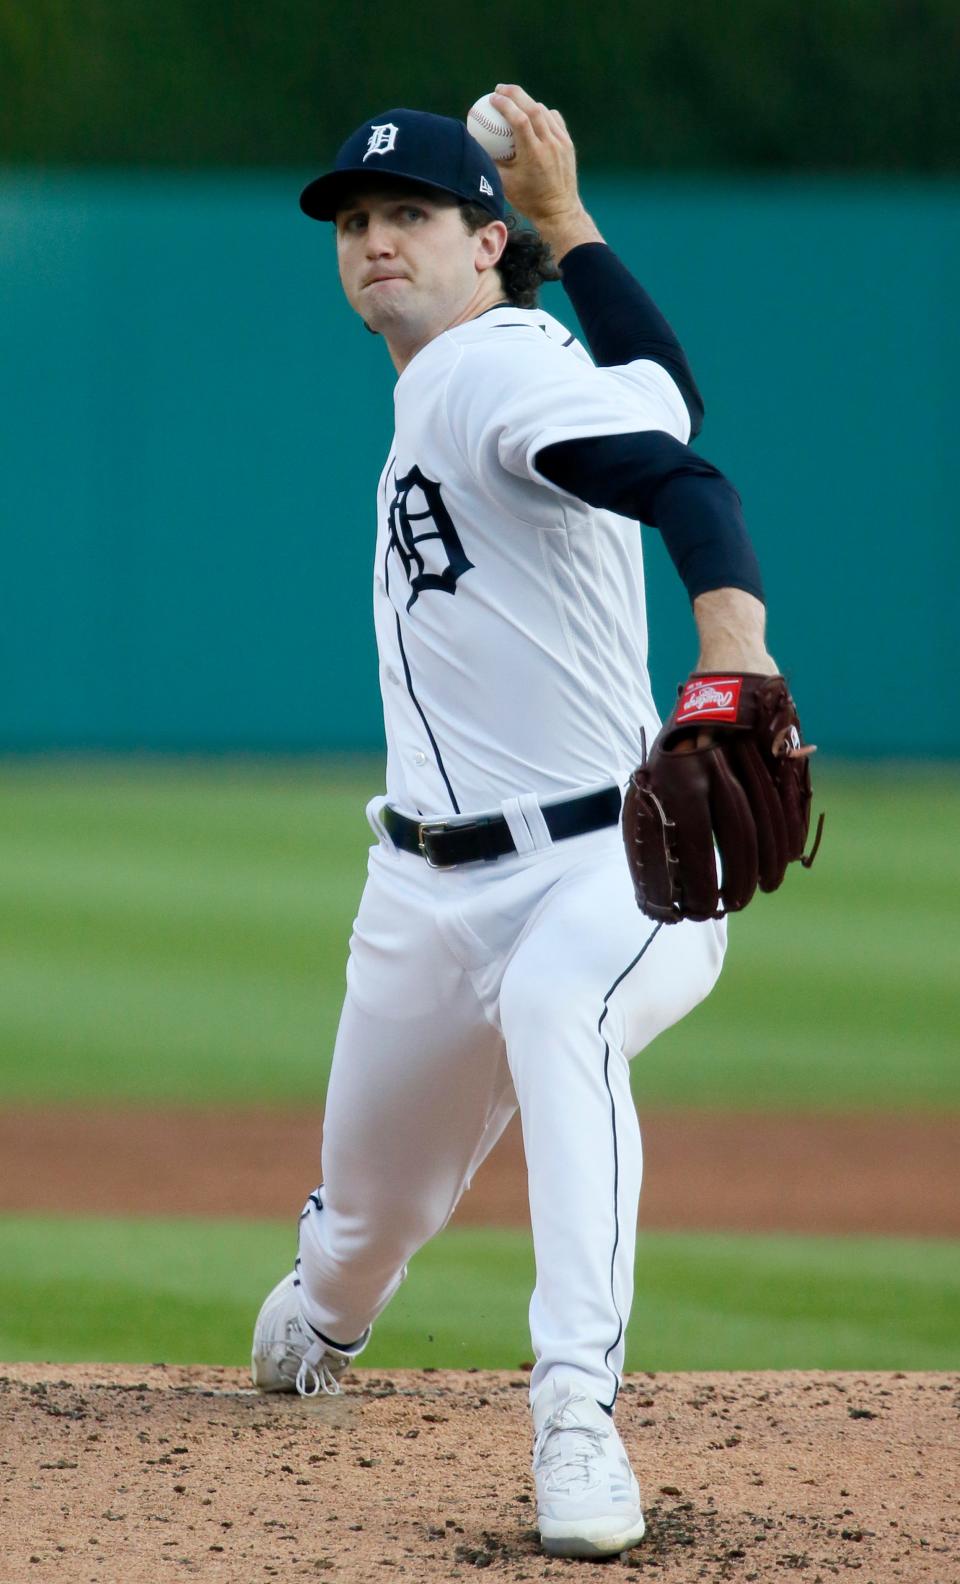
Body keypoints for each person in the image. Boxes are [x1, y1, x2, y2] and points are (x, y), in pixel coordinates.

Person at [251, 84, 784, 1560]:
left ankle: (575, 1417)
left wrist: (734, 647)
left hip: (602, 864)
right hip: (422, 893)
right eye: (354, 222)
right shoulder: (502, 366)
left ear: (480, 243)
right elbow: (664, 401)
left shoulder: (489, 369)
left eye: (408, 215)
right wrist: (574, 226)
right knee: (350, 1251)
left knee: (564, 1007)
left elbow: (683, 476)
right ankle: (330, 1307)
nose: (373, 241)